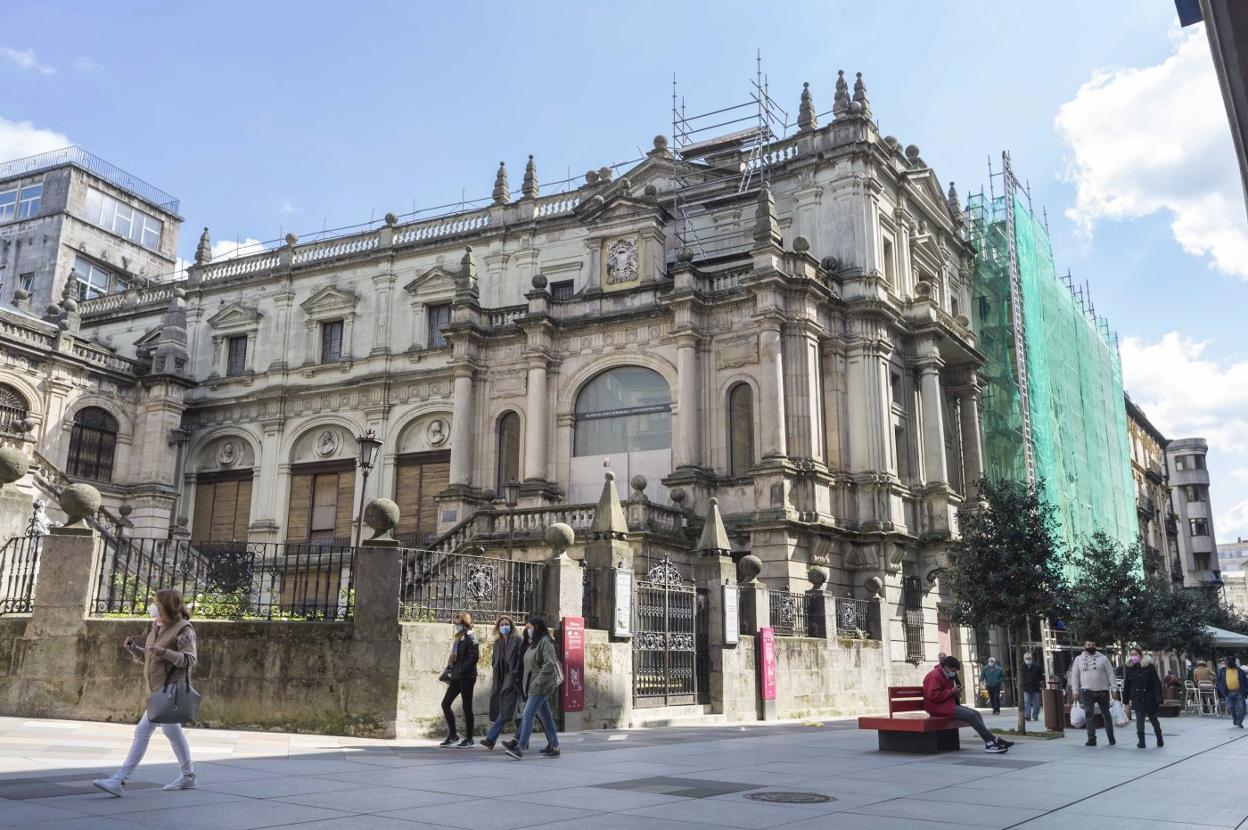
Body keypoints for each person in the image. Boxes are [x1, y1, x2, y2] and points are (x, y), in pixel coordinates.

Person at [92, 589, 197, 797]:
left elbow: (189, 660)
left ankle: (119, 780)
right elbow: (151, 659)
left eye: (157, 604)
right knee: (171, 732)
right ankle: (188, 776)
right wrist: (134, 649)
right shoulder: (157, 627)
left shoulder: (184, 630)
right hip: (156, 690)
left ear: (167, 606)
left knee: (142, 732)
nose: (153, 607)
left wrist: (165, 652)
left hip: (169, 691)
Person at [923, 656, 1012, 754]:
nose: (954, 673)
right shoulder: (935, 676)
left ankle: (990, 742)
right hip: (937, 708)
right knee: (971, 715)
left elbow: (945, 693)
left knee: (976, 713)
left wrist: (956, 693)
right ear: (946, 667)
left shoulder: (945, 674)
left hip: (945, 705)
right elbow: (933, 696)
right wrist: (951, 691)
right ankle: (992, 741)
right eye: (953, 670)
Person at [504, 616, 561, 760]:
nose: (526, 630)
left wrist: (538, 682)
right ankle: (554, 746)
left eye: (529, 627)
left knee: (527, 714)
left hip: (539, 686)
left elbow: (549, 664)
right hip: (531, 685)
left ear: (537, 627)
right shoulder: (533, 644)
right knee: (546, 716)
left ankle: (520, 747)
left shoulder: (545, 642)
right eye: (526, 628)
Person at [481, 615, 524, 750]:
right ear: (498, 627)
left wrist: (515, 673)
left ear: (511, 626)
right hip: (502, 678)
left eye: (506, 624)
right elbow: (494, 660)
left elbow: (520, 659)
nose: (504, 627)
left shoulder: (517, 640)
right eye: (501, 625)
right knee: (518, 712)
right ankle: (523, 740)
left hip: (515, 679)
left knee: (506, 709)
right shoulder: (498, 642)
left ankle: (491, 739)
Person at [439, 612, 479, 748]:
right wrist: (451, 668)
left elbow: (474, 657)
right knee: (445, 704)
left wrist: (461, 669)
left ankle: (469, 739)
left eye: (457, 624)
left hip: (467, 677)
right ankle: (453, 735)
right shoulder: (459, 638)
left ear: (464, 624)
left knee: (467, 707)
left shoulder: (471, 637)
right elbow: (455, 657)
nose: (455, 626)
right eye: (454, 624)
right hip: (457, 677)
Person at [1071, 640, 1117, 746]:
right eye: (1088, 645)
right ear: (1084, 646)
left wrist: (1114, 689)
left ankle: (1111, 737)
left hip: (1103, 691)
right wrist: (1075, 691)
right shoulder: (1078, 659)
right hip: (1087, 691)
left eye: (1093, 645)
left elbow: (1110, 674)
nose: (1091, 646)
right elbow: (1075, 676)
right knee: (1089, 715)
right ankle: (1091, 739)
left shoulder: (1103, 658)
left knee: (1106, 715)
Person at [1122, 648, 1164, 749]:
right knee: (1139, 720)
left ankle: (1159, 738)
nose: (1133, 656)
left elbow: (1156, 682)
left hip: (1150, 698)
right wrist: (1125, 698)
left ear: (1141, 655)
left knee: (1153, 719)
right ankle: (1141, 742)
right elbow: (1127, 684)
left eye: (1135, 654)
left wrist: (1158, 696)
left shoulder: (1149, 666)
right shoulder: (1129, 667)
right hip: (1137, 698)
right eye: (1131, 654)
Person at [1217, 655, 1248, 728]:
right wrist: (1222, 690)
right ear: (1227, 662)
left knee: (1242, 708)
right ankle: (1235, 719)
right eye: (1229, 661)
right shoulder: (1223, 671)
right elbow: (1220, 681)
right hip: (1228, 693)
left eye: (1232, 661)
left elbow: (1246, 682)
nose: (1230, 663)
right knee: (1231, 707)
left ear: (1234, 662)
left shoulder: (1240, 671)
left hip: (1239, 692)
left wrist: (1245, 691)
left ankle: (1239, 722)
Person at [1021, 652, 1044, 722]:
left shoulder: (1037, 667)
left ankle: (1035, 716)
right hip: (1026, 687)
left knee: (1036, 703)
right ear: (1024, 659)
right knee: (1026, 701)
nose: (1028, 660)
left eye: (1029, 658)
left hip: (1035, 687)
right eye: (1027, 658)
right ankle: (1027, 716)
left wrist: (1037, 681)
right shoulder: (1022, 667)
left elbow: (1040, 676)